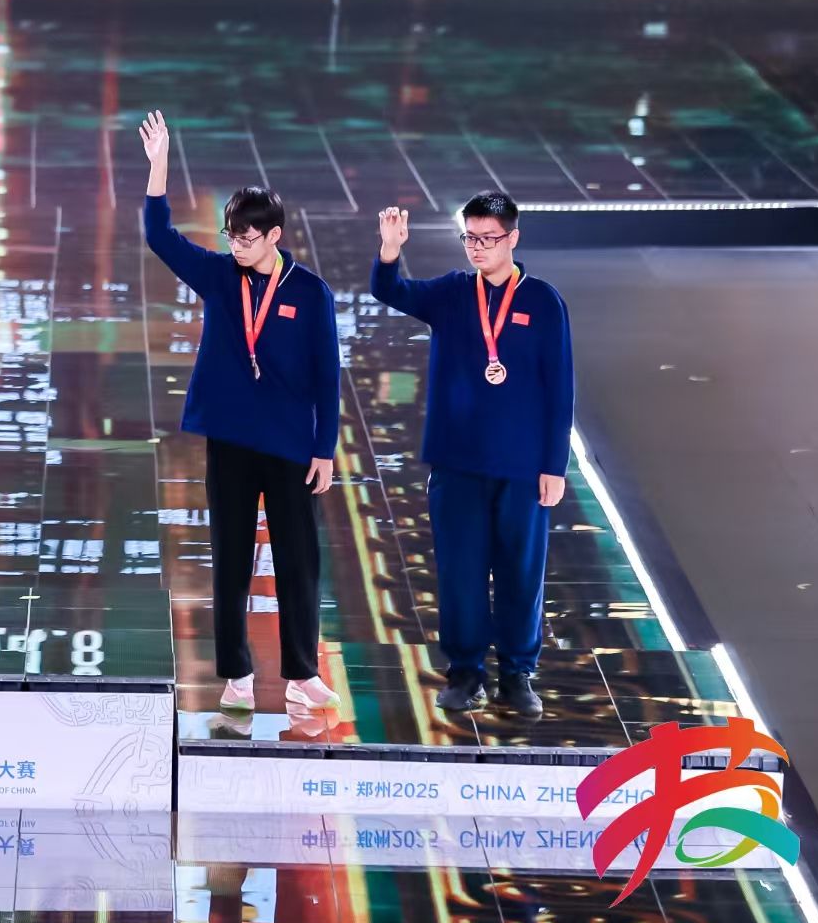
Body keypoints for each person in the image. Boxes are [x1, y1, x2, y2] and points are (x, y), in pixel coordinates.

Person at [138, 110, 343, 712]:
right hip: (230, 438)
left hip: (290, 443)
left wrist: (324, 448)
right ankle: (236, 673)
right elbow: (160, 237)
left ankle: (302, 673)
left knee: (299, 561)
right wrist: (159, 167)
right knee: (230, 557)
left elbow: (328, 374)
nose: (237, 245)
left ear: (274, 235)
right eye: (231, 235)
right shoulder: (220, 276)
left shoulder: (310, 292)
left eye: (247, 237)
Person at [370, 194, 574, 718]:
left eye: (488, 238)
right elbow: (390, 290)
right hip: (457, 461)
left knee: (520, 572)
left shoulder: (543, 302)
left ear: (513, 238)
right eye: (470, 238)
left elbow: (560, 388)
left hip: (522, 466)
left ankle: (517, 674)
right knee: (460, 571)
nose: (477, 248)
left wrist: (554, 465)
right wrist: (390, 252)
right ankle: (464, 672)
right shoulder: (452, 293)